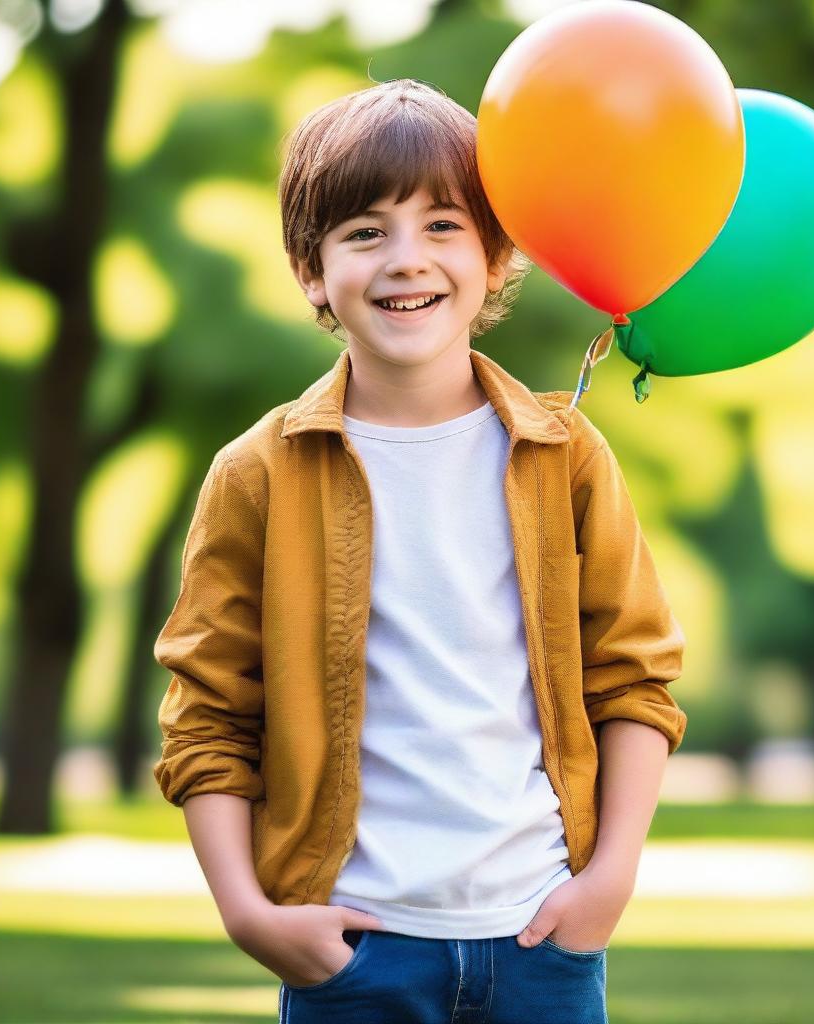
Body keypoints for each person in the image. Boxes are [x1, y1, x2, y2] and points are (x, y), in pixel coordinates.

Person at [152, 77, 688, 1024]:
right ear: (313, 271)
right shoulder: (256, 475)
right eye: (366, 232)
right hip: (353, 952)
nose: (408, 260)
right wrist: (248, 913)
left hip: (542, 942)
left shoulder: (566, 459)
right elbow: (209, 716)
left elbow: (634, 681)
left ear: (494, 255)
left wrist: (607, 881)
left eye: (443, 224)